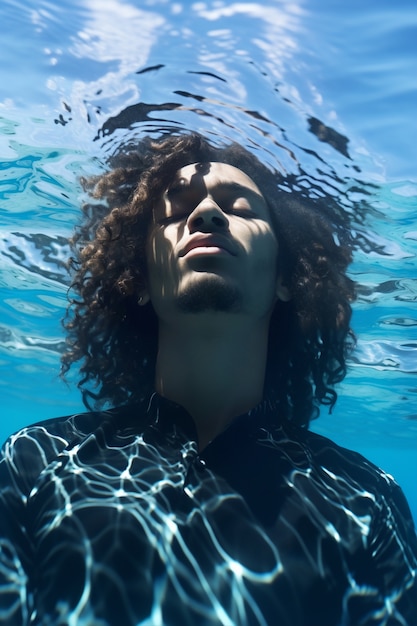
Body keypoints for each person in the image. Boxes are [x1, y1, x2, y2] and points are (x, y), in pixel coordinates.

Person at [0, 133, 416, 626]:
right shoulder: (32, 462)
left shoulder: (366, 497)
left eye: (239, 208)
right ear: (136, 281)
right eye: (174, 213)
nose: (206, 215)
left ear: (287, 278)